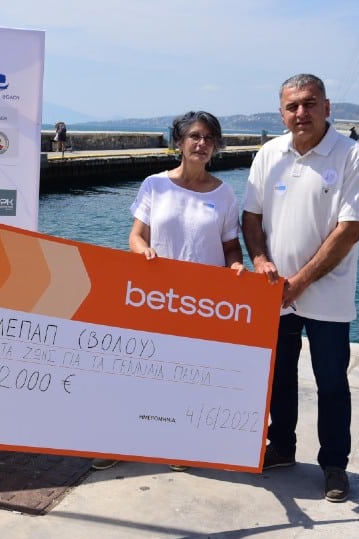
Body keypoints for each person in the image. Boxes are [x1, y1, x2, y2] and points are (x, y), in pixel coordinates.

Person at [241, 74, 359, 503]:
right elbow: (251, 218)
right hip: (275, 292)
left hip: (327, 295)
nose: (301, 113)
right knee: (278, 375)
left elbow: (349, 230)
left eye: (310, 103)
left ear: (327, 107)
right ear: (282, 112)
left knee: (331, 382)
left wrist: (299, 283)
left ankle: (334, 464)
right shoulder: (269, 154)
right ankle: (281, 447)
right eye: (292, 106)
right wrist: (260, 260)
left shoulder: (351, 156)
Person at [91, 110, 246, 473]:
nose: (201, 143)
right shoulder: (155, 185)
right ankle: (118, 441)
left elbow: (230, 248)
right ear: (179, 142)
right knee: (137, 370)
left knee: (188, 374)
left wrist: (237, 266)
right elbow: (136, 235)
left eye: (209, 138)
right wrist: (142, 251)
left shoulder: (225, 194)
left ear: (216, 146)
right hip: (155, 295)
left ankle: (177, 443)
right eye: (194, 136)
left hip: (201, 302)